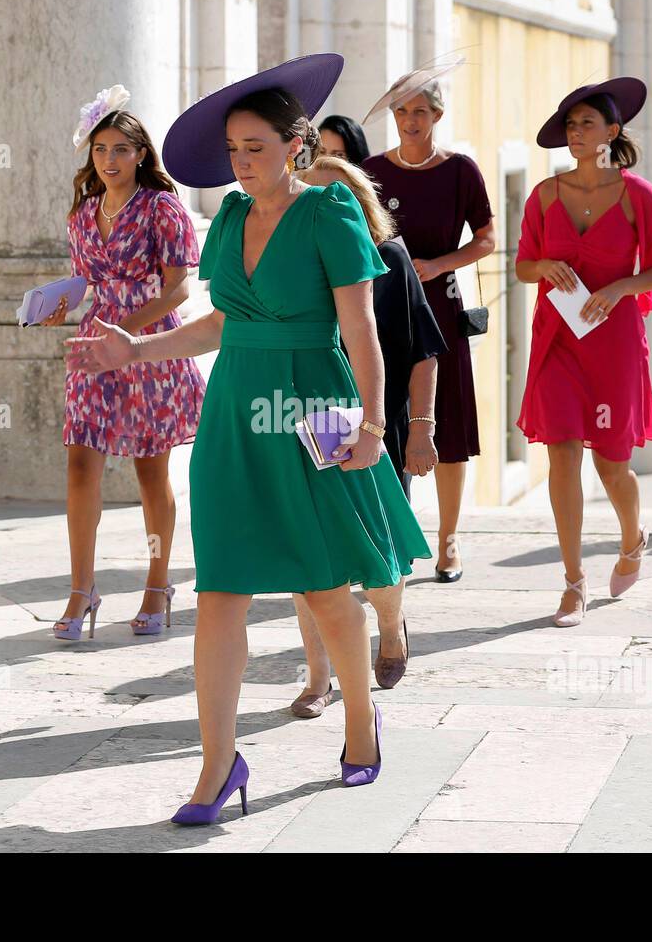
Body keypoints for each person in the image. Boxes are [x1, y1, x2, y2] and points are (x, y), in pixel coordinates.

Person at [70, 55, 431, 823]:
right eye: (233, 149)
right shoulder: (229, 216)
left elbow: (361, 329)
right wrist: (136, 349)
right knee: (220, 593)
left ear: (296, 145)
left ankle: (361, 719)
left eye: (256, 147)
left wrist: (373, 424)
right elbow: (222, 320)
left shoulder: (330, 214)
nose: (241, 162)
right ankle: (215, 765)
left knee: (325, 585)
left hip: (311, 407)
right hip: (234, 411)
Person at [514, 78, 652, 627]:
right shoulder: (543, 195)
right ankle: (572, 583)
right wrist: (544, 268)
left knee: (612, 466)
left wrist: (620, 287)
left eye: (587, 123)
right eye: (570, 125)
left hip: (613, 345)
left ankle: (633, 538)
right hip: (558, 341)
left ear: (612, 131)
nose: (576, 132)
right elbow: (523, 265)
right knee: (561, 452)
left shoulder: (640, 198)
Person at [42, 87, 205, 639]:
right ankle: (80, 590)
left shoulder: (163, 207)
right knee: (80, 463)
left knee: (148, 468)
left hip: (150, 343)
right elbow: (87, 283)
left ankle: (157, 584)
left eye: (120, 149)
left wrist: (128, 336)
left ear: (140, 154)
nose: (108, 160)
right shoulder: (83, 213)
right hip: (94, 345)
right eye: (100, 149)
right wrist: (59, 306)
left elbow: (180, 290)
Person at [286, 154, 447, 712]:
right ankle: (316, 678)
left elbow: (425, 352)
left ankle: (391, 623)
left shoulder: (389, 258)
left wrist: (421, 429)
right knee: (308, 551)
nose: (325, 210)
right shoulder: (291, 265)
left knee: (378, 549)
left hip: (378, 424)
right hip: (307, 417)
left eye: (338, 199)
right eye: (311, 197)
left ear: (361, 205)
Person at [361, 60, 495, 584]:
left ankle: (449, 540)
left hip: (442, 306)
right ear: (392, 115)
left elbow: (486, 239)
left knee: (449, 425)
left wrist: (438, 265)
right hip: (383, 308)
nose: (411, 119)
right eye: (402, 111)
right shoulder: (371, 172)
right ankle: (390, 533)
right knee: (384, 415)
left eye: (420, 111)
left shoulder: (461, 170)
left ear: (437, 115)